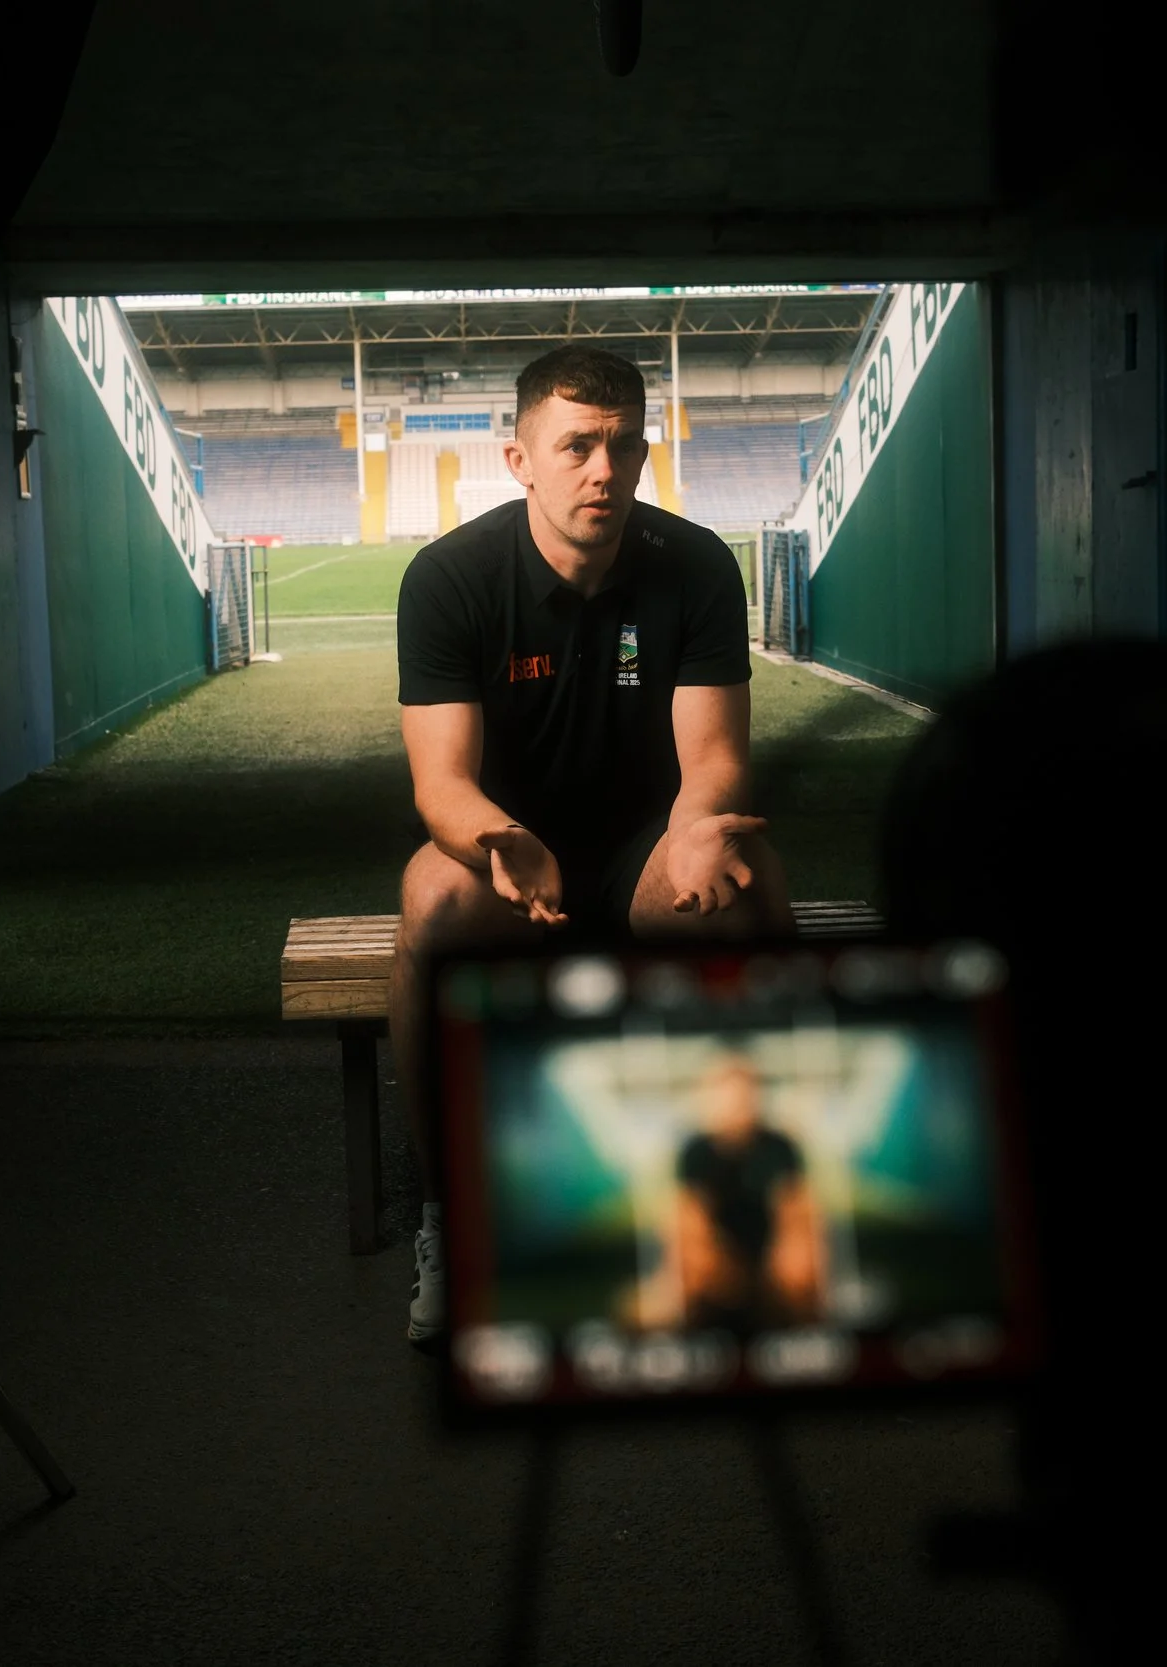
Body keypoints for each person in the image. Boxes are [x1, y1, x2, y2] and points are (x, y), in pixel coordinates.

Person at [391, 344, 793, 1343]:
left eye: (622, 445)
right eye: (575, 446)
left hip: (642, 848)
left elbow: (714, 758)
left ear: (645, 452)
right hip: (512, 848)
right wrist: (497, 838)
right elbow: (441, 784)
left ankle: (763, 1200)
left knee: (743, 884)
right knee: (434, 903)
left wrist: (695, 832)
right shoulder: (450, 576)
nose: (602, 471)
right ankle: (447, 1214)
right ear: (519, 460)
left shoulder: (695, 562)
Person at [620, 1053, 824, 1332]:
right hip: (718, 1269)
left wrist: (785, 1270)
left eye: (745, 1092)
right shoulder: (695, 1152)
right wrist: (726, 1279)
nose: (737, 1102)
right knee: (649, 1306)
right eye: (728, 1093)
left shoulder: (780, 1147)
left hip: (770, 1268)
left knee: (801, 1271)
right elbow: (687, 1230)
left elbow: (798, 1220)